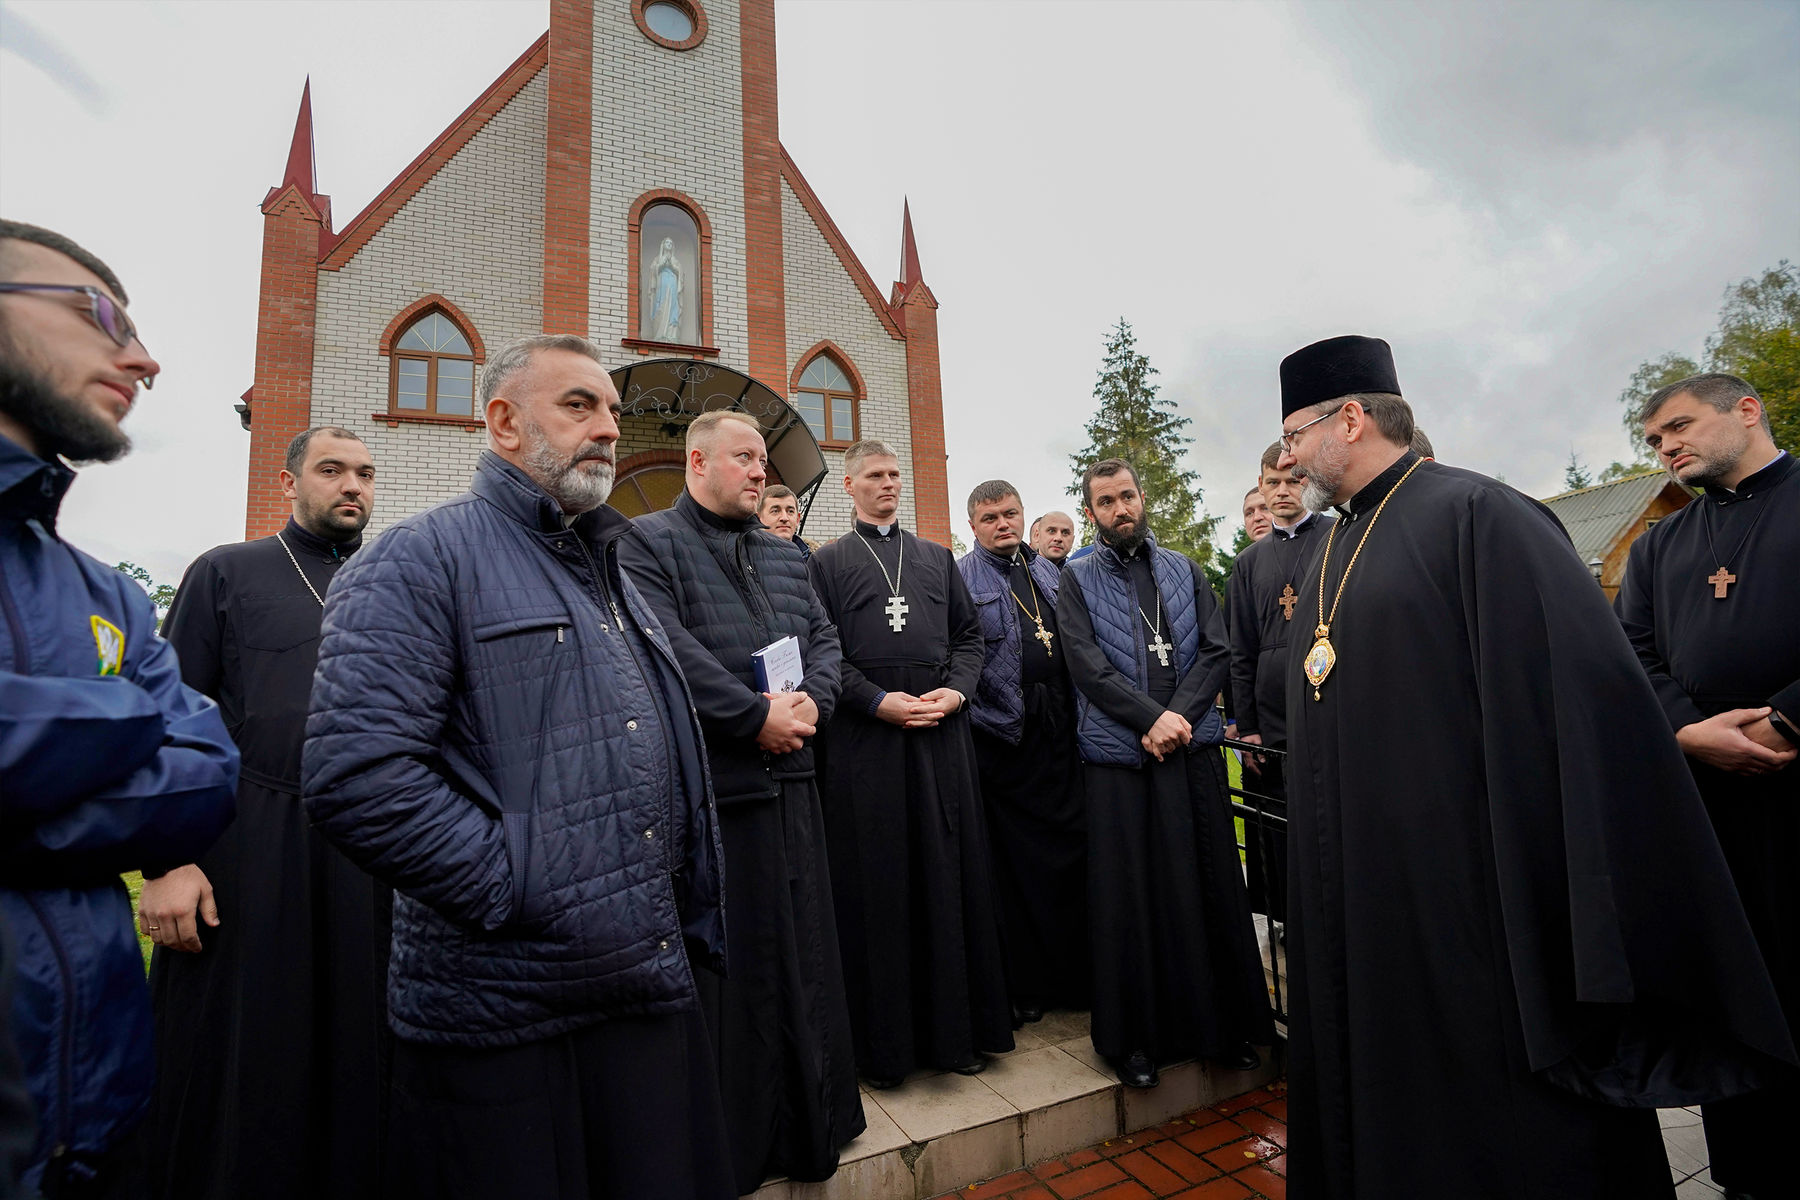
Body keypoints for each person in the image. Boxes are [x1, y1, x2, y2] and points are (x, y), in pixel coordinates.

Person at [1273, 334, 1795, 1198]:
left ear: (1352, 419)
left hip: (1472, 897)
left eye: (1295, 436)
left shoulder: (1482, 515)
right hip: (1364, 892)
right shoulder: (1331, 544)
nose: (1288, 460)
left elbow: (1582, 706)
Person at [302, 334, 734, 1200]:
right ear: (503, 422)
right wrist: (525, 887)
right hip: (510, 1012)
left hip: (636, 985)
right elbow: (360, 777)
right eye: (580, 406)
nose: (609, 428)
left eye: (612, 410)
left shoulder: (610, 569)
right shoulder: (419, 559)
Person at [0, 220, 238, 1196]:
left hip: (89, 1126)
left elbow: (209, 772)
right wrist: (124, 718)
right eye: (98, 314)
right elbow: (162, 728)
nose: (140, 357)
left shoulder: (107, 594)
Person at [139, 426, 390, 1200]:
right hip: (251, 843)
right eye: (332, 470)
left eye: (366, 474)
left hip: (370, 850)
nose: (353, 486)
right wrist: (167, 862)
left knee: (361, 1047)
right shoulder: (227, 572)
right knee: (247, 1048)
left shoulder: (395, 582)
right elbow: (168, 721)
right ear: (288, 485)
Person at [617, 412, 861, 1192]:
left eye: (763, 460)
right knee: (742, 971)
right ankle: (746, 1139)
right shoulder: (645, 543)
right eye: (745, 458)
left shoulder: (785, 551)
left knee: (809, 958)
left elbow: (824, 642)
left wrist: (812, 708)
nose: (761, 473)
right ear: (698, 460)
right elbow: (665, 650)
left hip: (795, 783)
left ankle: (819, 1116)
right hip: (720, 796)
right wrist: (754, 717)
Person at [1616, 372, 1798, 1199]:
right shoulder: (1659, 545)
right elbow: (1633, 657)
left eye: (1678, 428)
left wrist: (1789, 720)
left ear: (1747, 411)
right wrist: (1687, 728)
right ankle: (1752, 1173)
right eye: (1655, 441)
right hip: (1712, 811)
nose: (1666, 448)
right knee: (1738, 998)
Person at [1058, 458, 1274, 1090]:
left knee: (1206, 888)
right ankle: (1136, 1042)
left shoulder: (1183, 568)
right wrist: (1152, 720)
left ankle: (1223, 1029)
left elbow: (1216, 649)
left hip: (1191, 752)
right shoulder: (1076, 579)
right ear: (1092, 511)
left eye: (1127, 496)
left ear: (1142, 498)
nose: (1120, 509)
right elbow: (1086, 665)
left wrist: (1176, 719)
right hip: (1120, 762)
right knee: (1132, 899)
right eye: (1106, 502)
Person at [807, 440, 1014, 1087]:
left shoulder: (934, 557)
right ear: (849, 485)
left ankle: (957, 1038)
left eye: (895, 474)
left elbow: (969, 638)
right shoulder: (828, 564)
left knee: (947, 883)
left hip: (940, 741)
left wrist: (957, 691)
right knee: (880, 890)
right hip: (868, 748)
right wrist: (875, 701)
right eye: (874, 475)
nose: (888, 484)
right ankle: (885, 1051)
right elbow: (823, 653)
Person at [957, 482, 1089, 1024]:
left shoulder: (1053, 572)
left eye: (1010, 513)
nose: (1002, 524)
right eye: (990, 517)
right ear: (974, 525)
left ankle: (1075, 976)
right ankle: (1027, 984)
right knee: (1016, 866)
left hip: (1062, 727)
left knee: (1072, 851)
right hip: (1003, 734)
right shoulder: (960, 578)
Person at [1226, 444, 1334, 929]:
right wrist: (1247, 726)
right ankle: (1292, 919)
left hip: (1328, 707)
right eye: (1273, 482)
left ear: (1310, 481)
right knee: (1280, 827)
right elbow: (1240, 650)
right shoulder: (1250, 562)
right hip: (1270, 723)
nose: (1283, 491)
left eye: (1293, 480)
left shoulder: (1340, 536)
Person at [756, 482, 812, 558]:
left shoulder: (815, 562)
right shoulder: (745, 560)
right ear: (758, 518)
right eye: (775, 511)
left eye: (790, 511)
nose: (784, 518)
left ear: (798, 519)